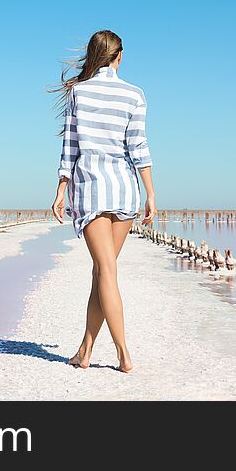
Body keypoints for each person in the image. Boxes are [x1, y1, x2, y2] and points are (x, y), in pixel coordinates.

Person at [50, 30, 155, 373]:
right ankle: (85, 350)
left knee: (105, 270)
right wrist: (151, 193)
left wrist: (61, 189)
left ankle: (124, 354)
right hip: (125, 189)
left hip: (92, 189)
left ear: (95, 56)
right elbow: (138, 148)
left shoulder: (79, 92)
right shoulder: (134, 94)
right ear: (119, 57)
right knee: (103, 271)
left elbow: (70, 147)